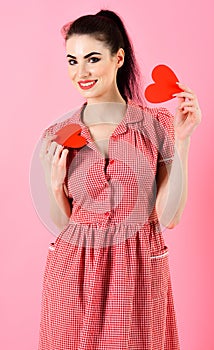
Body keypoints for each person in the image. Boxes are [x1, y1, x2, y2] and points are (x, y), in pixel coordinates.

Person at [38, 9, 201, 350]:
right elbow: (61, 224)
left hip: (139, 270)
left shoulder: (156, 124)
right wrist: (55, 187)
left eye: (92, 59)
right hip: (74, 272)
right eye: (72, 61)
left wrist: (182, 141)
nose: (80, 72)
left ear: (118, 58)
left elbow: (170, 217)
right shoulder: (57, 135)